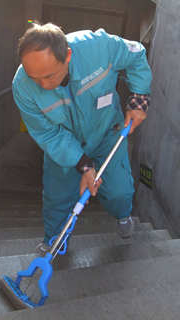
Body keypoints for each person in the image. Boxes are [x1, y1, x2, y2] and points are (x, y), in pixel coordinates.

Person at [12, 23, 152, 253]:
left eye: (49, 76)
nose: (44, 86)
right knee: (57, 197)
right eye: (34, 78)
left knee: (120, 191)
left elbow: (136, 55)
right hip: (65, 146)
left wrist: (139, 100)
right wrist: (84, 165)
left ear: (67, 55)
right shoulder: (22, 86)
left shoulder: (99, 47)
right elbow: (47, 133)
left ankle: (123, 217)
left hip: (108, 132)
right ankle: (55, 242)